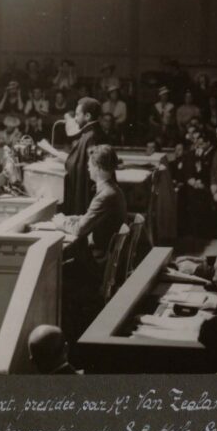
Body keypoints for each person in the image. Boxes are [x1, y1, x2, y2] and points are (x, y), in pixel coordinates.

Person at [54, 145, 128, 340]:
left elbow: (79, 230)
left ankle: (71, 337)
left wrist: (60, 222)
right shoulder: (114, 190)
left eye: (89, 164)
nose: (87, 168)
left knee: (55, 278)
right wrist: (74, 219)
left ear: (98, 167)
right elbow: (90, 219)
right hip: (102, 261)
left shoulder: (105, 195)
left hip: (96, 265)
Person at [43, 97, 104, 216]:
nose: (75, 119)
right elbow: (79, 160)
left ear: (87, 116)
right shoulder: (92, 133)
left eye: (77, 114)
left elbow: (81, 165)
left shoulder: (90, 136)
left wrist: (62, 157)